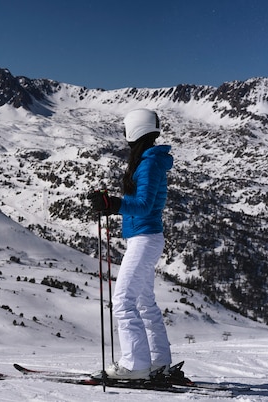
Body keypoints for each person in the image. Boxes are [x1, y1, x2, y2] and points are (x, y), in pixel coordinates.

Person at [88, 108, 174, 380]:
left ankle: (135, 366)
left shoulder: (148, 163)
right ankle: (159, 363)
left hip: (145, 238)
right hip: (146, 237)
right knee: (145, 302)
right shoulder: (149, 160)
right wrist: (112, 203)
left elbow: (145, 205)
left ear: (135, 129)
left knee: (123, 300)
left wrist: (114, 204)